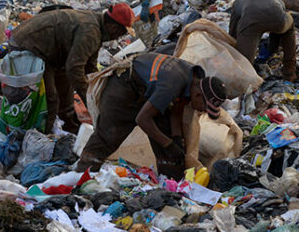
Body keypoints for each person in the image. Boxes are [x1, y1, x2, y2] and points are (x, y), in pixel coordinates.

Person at [76, 52, 228, 178]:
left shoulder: (193, 78)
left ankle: (171, 184)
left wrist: (175, 139)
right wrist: (168, 144)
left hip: (146, 91)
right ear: (198, 95)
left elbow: (176, 111)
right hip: (124, 87)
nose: (202, 111)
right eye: (204, 107)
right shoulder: (171, 85)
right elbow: (142, 119)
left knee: (166, 134)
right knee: (108, 136)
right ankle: (80, 176)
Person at [9, 4, 133, 133]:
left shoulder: (97, 26)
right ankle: (45, 137)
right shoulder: (91, 32)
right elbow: (75, 69)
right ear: (113, 27)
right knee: (51, 98)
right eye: (121, 33)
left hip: (49, 52)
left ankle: (71, 130)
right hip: (27, 46)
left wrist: (98, 91)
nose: (119, 38)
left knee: (65, 93)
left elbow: (89, 66)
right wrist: (90, 101)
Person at [229, 0, 296, 80]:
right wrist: (272, 48)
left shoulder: (237, 3)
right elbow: (277, 30)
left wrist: (236, 47)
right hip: (278, 21)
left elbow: (233, 31)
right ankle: (289, 72)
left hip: (251, 24)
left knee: (244, 62)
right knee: (289, 28)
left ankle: (244, 82)